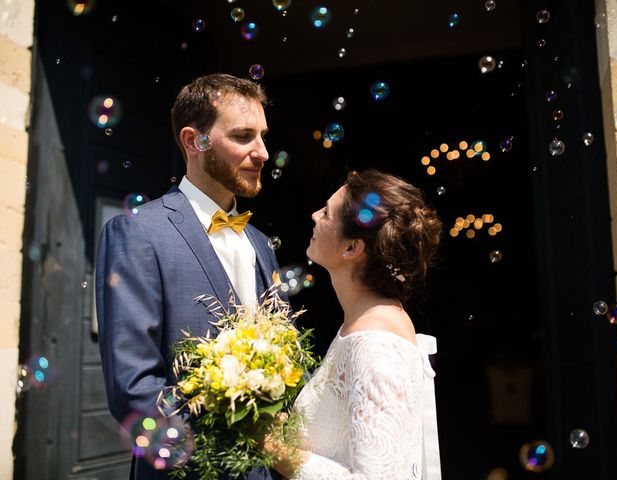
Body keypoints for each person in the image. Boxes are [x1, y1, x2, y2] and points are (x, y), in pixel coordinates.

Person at [95, 73, 283, 480]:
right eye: (244, 136)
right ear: (193, 141)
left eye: (263, 136)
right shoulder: (138, 232)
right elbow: (134, 388)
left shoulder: (261, 244)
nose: (263, 152)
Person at [262, 169, 443, 479]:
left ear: (351, 248)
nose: (314, 215)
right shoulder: (363, 322)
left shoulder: (377, 341)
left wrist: (272, 448)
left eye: (327, 213)